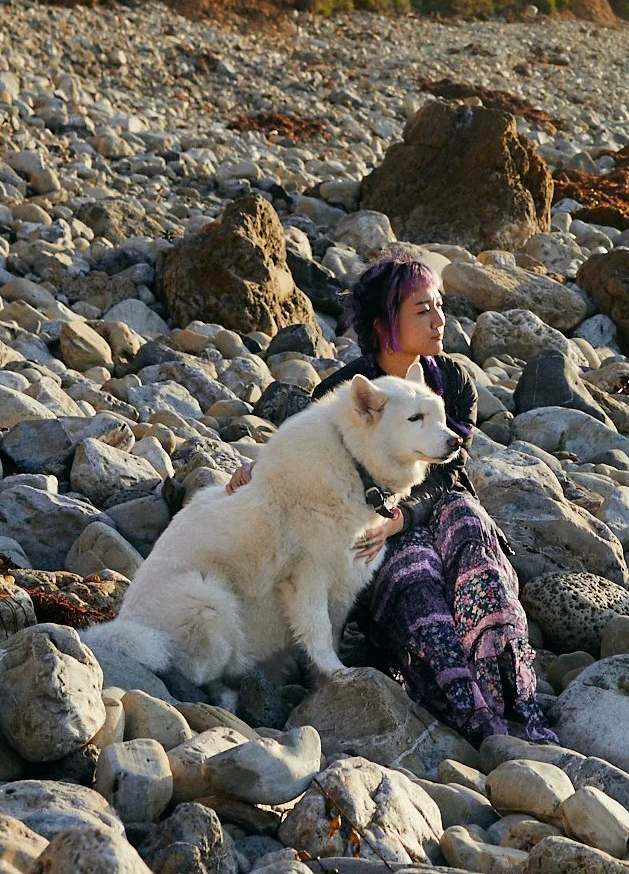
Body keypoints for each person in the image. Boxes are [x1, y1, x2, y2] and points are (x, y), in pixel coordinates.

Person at [226, 253, 556, 745]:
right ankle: (472, 715)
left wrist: (404, 516)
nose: (440, 320)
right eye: (423, 310)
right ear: (385, 325)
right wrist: (256, 471)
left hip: (428, 506)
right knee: (413, 571)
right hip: (369, 522)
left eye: (439, 306)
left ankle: (514, 694)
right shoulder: (346, 390)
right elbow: (308, 460)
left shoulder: (452, 381)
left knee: (468, 522)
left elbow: (450, 469)